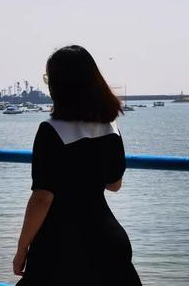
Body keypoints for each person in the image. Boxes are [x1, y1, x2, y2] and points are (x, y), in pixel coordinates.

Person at [13, 45, 141, 285]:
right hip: (109, 241)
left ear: (58, 85)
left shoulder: (51, 130)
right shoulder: (110, 127)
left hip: (61, 246)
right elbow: (114, 184)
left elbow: (42, 198)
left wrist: (22, 249)